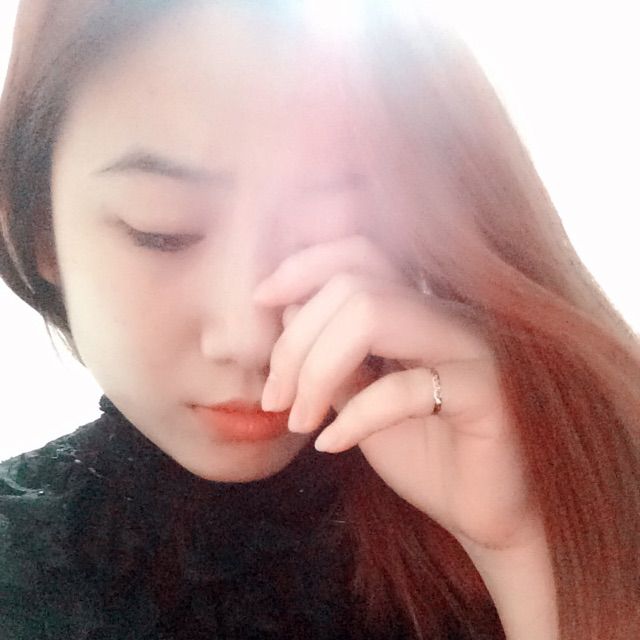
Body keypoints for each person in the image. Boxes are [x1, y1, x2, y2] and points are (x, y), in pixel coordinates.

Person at [0, 1, 638, 638]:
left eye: (326, 233)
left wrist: (526, 550)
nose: (253, 339)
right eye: (162, 231)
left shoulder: (518, 468)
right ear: (39, 230)